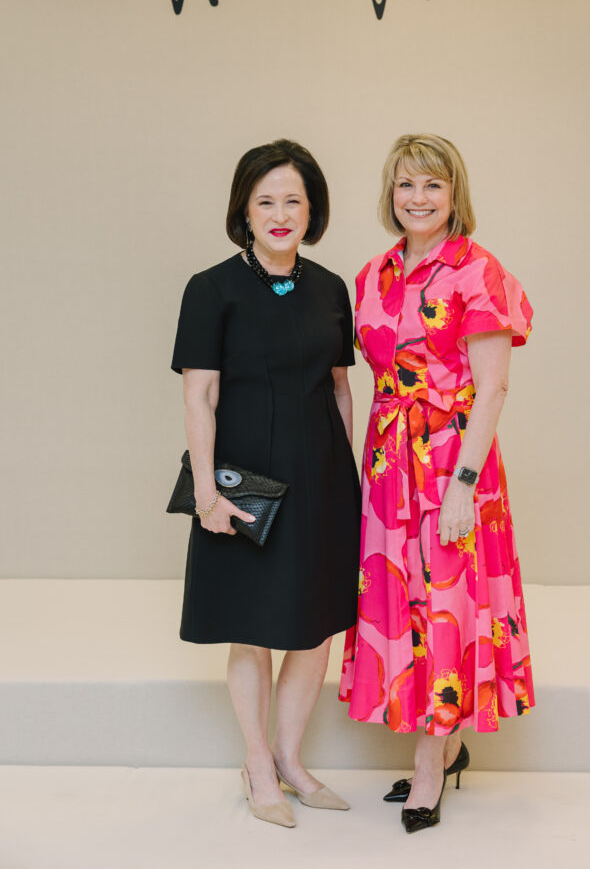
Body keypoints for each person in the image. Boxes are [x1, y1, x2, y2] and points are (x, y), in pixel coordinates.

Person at [339, 133, 534, 833]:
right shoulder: (373, 273)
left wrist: (462, 484)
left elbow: (492, 389)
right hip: (390, 465)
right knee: (408, 604)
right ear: (389, 195)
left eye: (431, 185)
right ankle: (443, 747)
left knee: (447, 607)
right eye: (404, 186)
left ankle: (430, 766)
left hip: (453, 460)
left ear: (455, 195)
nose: (417, 199)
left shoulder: (477, 271)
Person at [171, 139, 360, 828]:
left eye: (293, 200)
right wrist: (207, 495)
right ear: (243, 212)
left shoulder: (329, 287)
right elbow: (199, 400)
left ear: (312, 210)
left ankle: (288, 757)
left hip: (321, 479)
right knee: (250, 629)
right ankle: (255, 763)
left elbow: (340, 389)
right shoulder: (211, 288)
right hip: (242, 480)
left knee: (316, 629)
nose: (280, 213)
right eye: (265, 201)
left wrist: (350, 475)